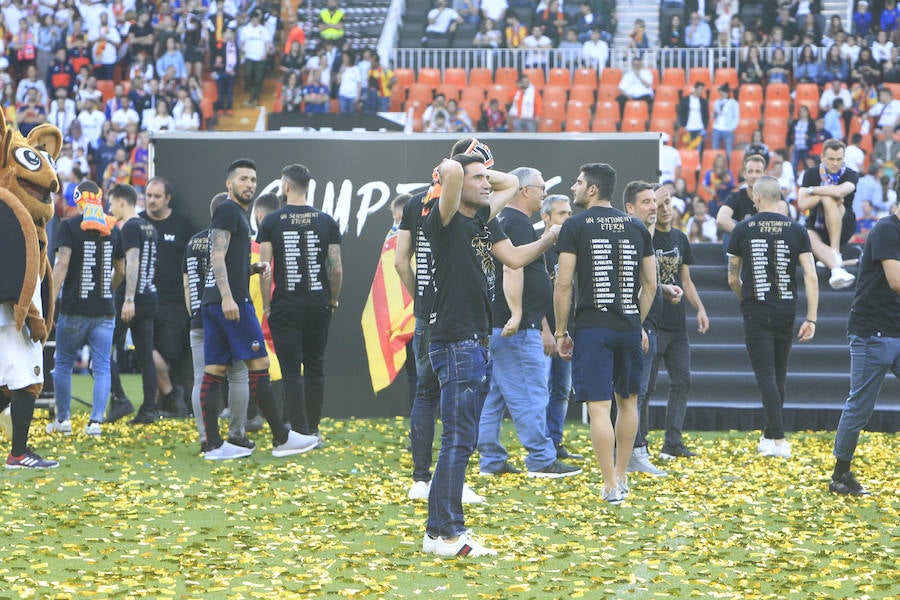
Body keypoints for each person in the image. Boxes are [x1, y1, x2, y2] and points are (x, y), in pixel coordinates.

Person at [421, 154, 560, 556]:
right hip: (457, 342)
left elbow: (515, 255)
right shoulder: (443, 219)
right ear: (455, 185)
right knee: (458, 443)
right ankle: (447, 534)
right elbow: (450, 171)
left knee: (459, 442)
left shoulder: (481, 221)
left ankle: (438, 533)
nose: (488, 183)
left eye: (487, 177)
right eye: (478, 178)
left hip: (475, 343)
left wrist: (549, 238)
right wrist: (464, 160)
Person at [198, 158, 319, 460]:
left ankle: (212, 446)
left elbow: (227, 258)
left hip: (215, 301)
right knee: (259, 364)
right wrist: (229, 297)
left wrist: (250, 268)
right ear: (229, 184)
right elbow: (216, 255)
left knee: (213, 372)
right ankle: (281, 438)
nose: (249, 184)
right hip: (232, 303)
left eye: (253, 179)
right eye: (243, 179)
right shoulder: (228, 209)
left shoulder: (236, 213)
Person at [395, 138, 493, 507]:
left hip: (427, 312)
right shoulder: (458, 204)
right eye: (481, 171)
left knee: (425, 393)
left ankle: (421, 477)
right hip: (454, 313)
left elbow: (401, 261)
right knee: (457, 400)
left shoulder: (417, 200)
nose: (486, 180)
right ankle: (453, 480)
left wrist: (422, 298)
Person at [554, 163, 657, 504]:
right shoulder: (637, 226)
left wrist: (560, 331)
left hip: (592, 327)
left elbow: (564, 283)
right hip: (628, 326)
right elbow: (651, 285)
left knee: (599, 408)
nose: (574, 187)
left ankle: (610, 484)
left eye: (579, 182)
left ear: (593, 189)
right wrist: (637, 322)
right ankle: (623, 476)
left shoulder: (574, 225)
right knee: (628, 403)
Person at [477, 168, 581, 478]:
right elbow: (513, 267)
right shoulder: (519, 222)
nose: (544, 193)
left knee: (494, 395)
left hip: (499, 323)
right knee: (532, 394)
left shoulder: (502, 220)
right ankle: (541, 459)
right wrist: (518, 314)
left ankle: (491, 460)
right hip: (516, 328)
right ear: (523, 190)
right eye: (540, 188)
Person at [727, 176, 818, 459]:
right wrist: (812, 318)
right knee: (779, 376)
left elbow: (732, 277)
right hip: (786, 309)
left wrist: (746, 300)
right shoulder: (797, 229)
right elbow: (811, 276)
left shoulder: (742, 229)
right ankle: (769, 435)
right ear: (779, 197)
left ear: (756, 196)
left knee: (765, 375)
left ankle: (778, 438)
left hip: (757, 308)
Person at [257, 164, 342, 441]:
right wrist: (332, 299)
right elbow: (336, 269)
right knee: (316, 365)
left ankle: (298, 431)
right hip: (318, 304)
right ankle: (313, 428)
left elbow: (264, 267)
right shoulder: (326, 221)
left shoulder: (271, 221)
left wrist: (267, 304)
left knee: (292, 370)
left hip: (286, 305)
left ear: (286, 186)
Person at [829, 199, 900, 495]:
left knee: (859, 405)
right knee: (860, 405)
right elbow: (896, 281)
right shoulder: (886, 230)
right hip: (872, 331)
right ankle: (840, 474)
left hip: (894, 329)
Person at [49, 180, 124, 437]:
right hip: (104, 309)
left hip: (73, 308)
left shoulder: (69, 226)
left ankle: (64, 419)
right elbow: (121, 269)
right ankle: (96, 422)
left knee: (63, 364)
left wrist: (48, 299)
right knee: (102, 365)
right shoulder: (113, 228)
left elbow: (62, 264)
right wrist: (109, 289)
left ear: (78, 198)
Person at [118, 177, 195, 422]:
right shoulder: (137, 223)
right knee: (146, 353)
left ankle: (159, 403)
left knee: (165, 356)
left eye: (157, 196)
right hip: (143, 297)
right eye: (148, 195)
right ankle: (169, 398)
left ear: (168, 198)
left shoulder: (183, 225)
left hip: (173, 303)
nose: (151, 201)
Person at [184, 193, 251, 453]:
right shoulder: (233, 236)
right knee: (238, 373)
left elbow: (187, 282)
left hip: (200, 316)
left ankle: (205, 437)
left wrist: (193, 314)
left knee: (201, 377)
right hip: (227, 310)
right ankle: (237, 433)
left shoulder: (193, 241)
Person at [651, 183, 709, 461]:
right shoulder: (646, 236)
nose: (664, 210)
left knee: (682, 382)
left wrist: (700, 308)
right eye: (659, 204)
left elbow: (686, 280)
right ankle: (638, 443)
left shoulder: (680, 238)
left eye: (668, 204)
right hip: (651, 322)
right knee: (644, 388)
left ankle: (672, 442)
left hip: (677, 326)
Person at [622, 181, 669, 477]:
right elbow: (628, 284)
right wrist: (636, 325)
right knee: (633, 394)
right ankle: (633, 452)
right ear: (629, 208)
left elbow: (648, 282)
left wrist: (665, 288)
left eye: (656, 201)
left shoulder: (644, 236)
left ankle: (637, 449)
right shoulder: (629, 236)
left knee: (642, 392)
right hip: (637, 326)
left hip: (648, 325)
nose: (654, 207)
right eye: (647, 202)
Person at [105, 184, 160, 426]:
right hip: (149, 295)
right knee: (146, 356)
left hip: (131, 298)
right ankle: (148, 410)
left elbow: (133, 262)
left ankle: (119, 399)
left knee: (104, 350)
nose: (109, 208)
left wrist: (128, 298)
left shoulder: (129, 227)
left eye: (111, 203)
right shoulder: (150, 226)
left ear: (122, 202)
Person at [540, 193, 583, 462]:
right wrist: (545, 330)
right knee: (541, 391)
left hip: (567, 331)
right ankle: (540, 446)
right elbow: (530, 294)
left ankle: (554, 442)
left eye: (569, 213)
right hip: (542, 332)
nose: (567, 218)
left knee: (561, 390)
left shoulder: (573, 247)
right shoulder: (537, 247)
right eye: (561, 214)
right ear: (546, 217)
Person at [797, 139, 859, 290]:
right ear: (822, 157)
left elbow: (839, 191)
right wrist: (824, 194)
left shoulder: (851, 174)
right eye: (831, 159)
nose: (835, 163)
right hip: (815, 224)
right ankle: (836, 268)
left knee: (829, 199)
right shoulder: (810, 173)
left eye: (839, 159)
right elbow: (802, 205)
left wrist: (812, 190)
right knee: (808, 238)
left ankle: (835, 251)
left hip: (844, 222)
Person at [717, 154, 769, 254]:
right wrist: (747, 234)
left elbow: (782, 214)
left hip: (766, 245)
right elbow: (721, 219)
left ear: (764, 174)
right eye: (750, 171)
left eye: (758, 171)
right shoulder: (735, 196)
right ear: (744, 174)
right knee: (730, 229)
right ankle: (734, 269)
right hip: (744, 246)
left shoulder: (773, 195)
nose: (754, 176)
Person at [677, 82, 709, 154]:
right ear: (695, 89)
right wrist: (683, 125)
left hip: (699, 128)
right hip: (688, 128)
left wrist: (705, 127)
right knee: (688, 148)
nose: (701, 91)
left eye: (702, 90)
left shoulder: (704, 101)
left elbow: (706, 115)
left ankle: (698, 164)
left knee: (699, 150)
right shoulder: (685, 100)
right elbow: (681, 113)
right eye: (700, 89)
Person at [711, 83, 739, 157]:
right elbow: (714, 116)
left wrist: (731, 128)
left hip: (727, 129)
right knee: (715, 151)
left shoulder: (733, 103)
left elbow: (736, 117)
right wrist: (714, 114)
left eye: (722, 93)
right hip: (717, 128)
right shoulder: (717, 102)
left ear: (726, 93)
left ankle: (729, 167)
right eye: (720, 93)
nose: (721, 94)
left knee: (729, 152)